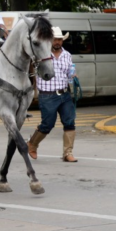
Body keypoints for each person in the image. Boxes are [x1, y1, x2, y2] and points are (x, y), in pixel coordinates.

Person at [27, 26, 77, 163]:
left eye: (60, 39)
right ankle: (32, 144)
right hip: (47, 95)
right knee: (47, 124)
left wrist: (72, 75)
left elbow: (69, 74)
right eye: (55, 39)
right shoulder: (40, 55)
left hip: (65, 93)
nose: (57, 42)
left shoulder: (67, 55)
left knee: (70, 122)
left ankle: (68, 153)